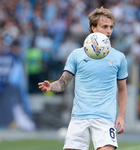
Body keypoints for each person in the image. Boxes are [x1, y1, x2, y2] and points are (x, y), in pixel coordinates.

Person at [38, 7, 128, 150]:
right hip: (79, 117)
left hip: (105, 118)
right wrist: (51, 86)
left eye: (111, 27)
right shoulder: (76, 55)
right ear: (93, 28)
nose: (109, 31)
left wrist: (121, 116)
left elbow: (122, 90)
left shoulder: (119, 57)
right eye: (104, 26)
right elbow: (62, 83)